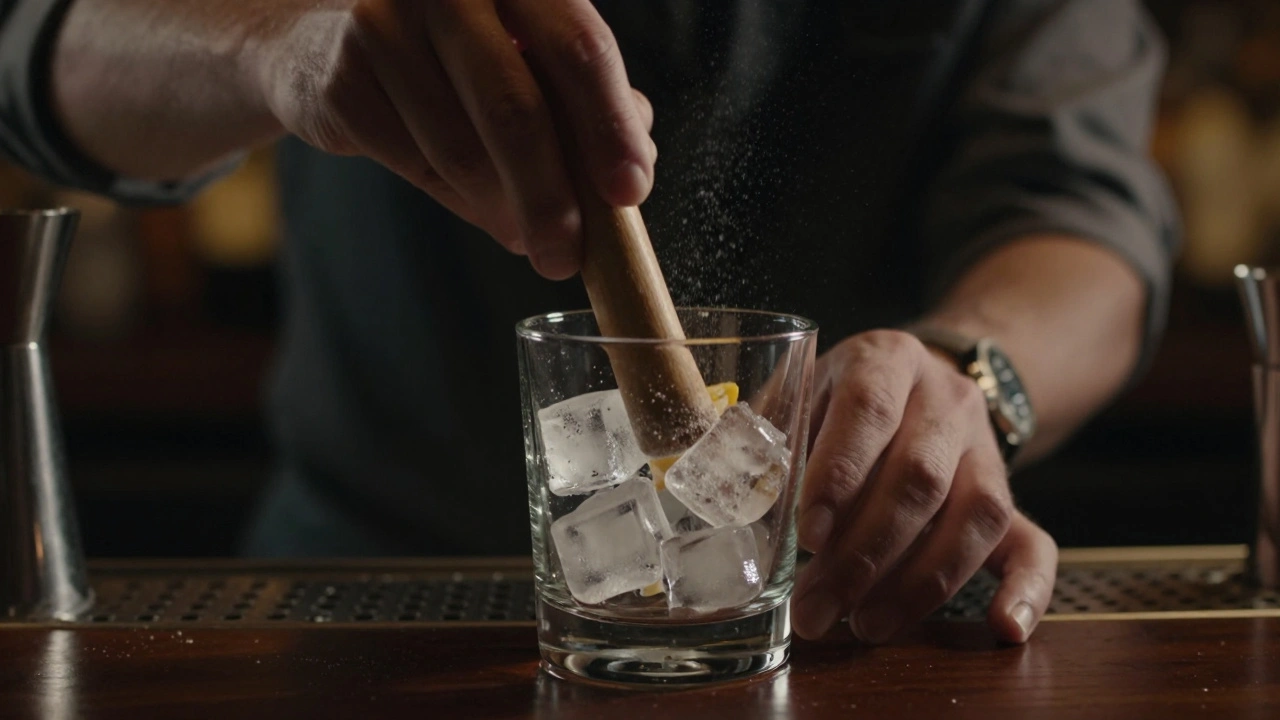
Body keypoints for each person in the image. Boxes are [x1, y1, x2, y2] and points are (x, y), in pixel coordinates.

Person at [0, 0, 1178, 645]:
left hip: (830, 620)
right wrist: (272, 46)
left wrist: (965, 369)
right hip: (354, 612)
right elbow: (35, 68)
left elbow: (1085, 210)